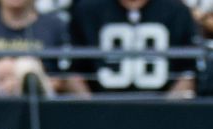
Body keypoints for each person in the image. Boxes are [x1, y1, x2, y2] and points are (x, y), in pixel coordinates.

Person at [0, 0, 90, 96]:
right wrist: (1, 71)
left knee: (26, 64)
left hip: (38, 100)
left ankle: (29, 84)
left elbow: (67, 76)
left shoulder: (54, 25)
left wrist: (17, 75)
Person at [68, 0, 200, 97]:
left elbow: (188, 73)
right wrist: (90, 112)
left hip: (162, 114)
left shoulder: (177, 11)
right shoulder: (87, 10)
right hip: (102, 111)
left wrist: (168, 113)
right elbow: (73, 72)